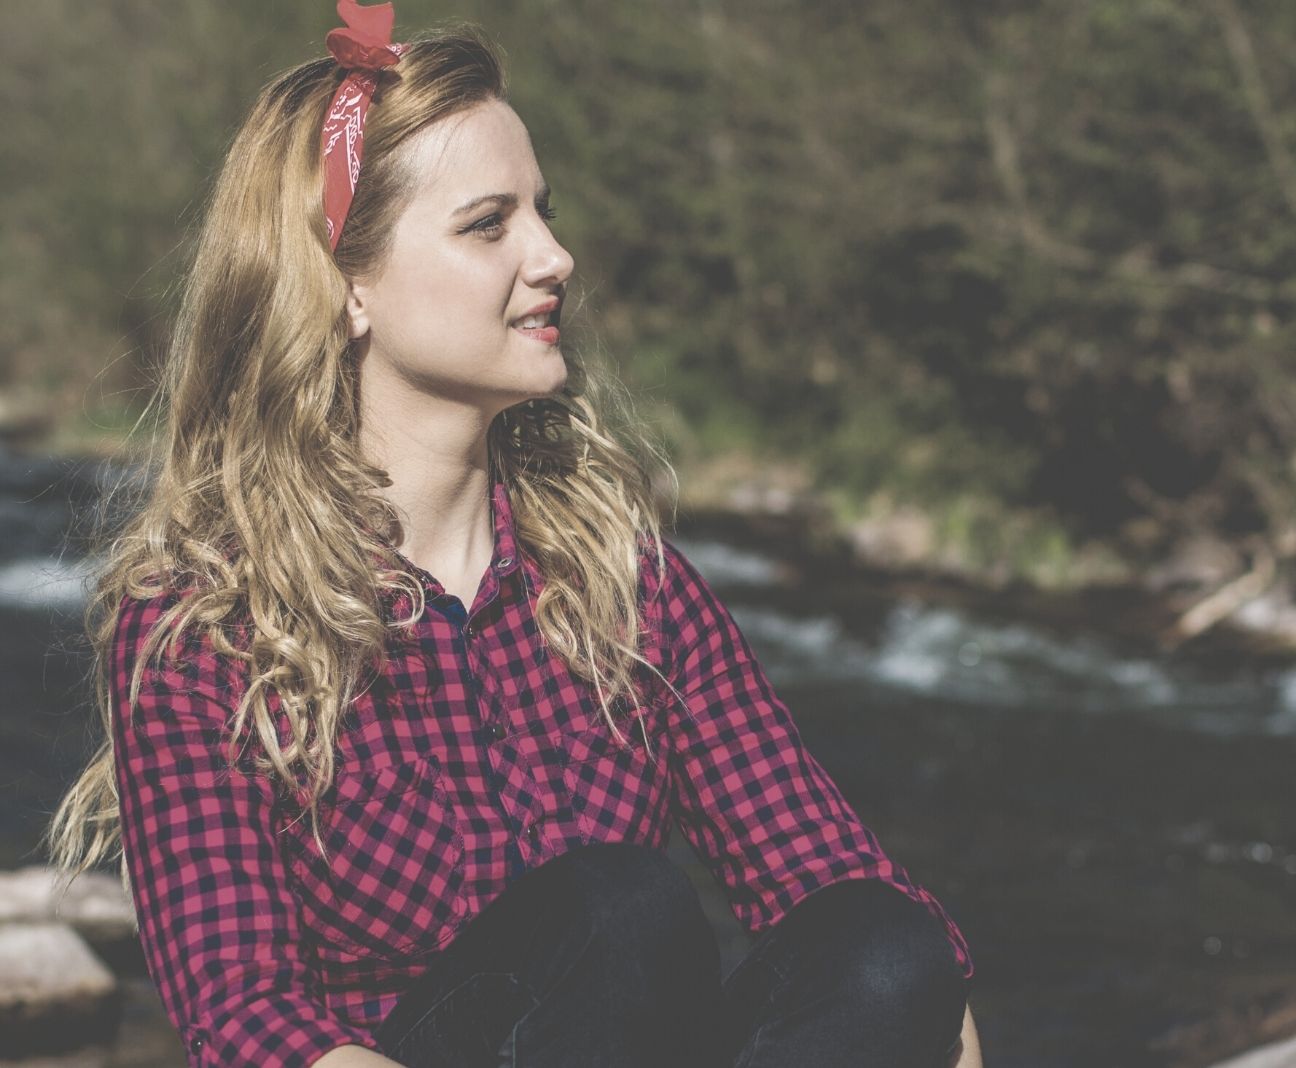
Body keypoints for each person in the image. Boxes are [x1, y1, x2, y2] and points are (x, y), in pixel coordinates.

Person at [46, 3, 982, 1067]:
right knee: (616, 908)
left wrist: (931, 1010)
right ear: (348, 285)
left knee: (885, 943)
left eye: (543, 211)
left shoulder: (623, 575)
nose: (555, 256)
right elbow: (243, 1013)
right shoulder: (201, 622)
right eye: (490, 224)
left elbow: (818, 868)